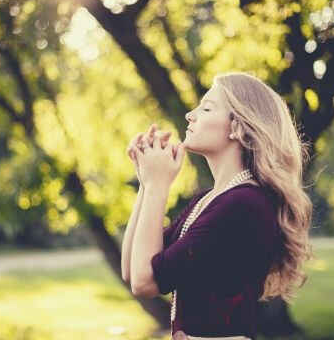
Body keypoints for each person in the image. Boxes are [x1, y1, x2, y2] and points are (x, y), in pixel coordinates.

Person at [121, 72, 314, 340]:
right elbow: (133, 270)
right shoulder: (209, 200)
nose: (191, 114)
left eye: (207, 107)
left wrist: (158, 186)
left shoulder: (243, 204)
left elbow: (146, 283)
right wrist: (146, 181)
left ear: (237, 128)